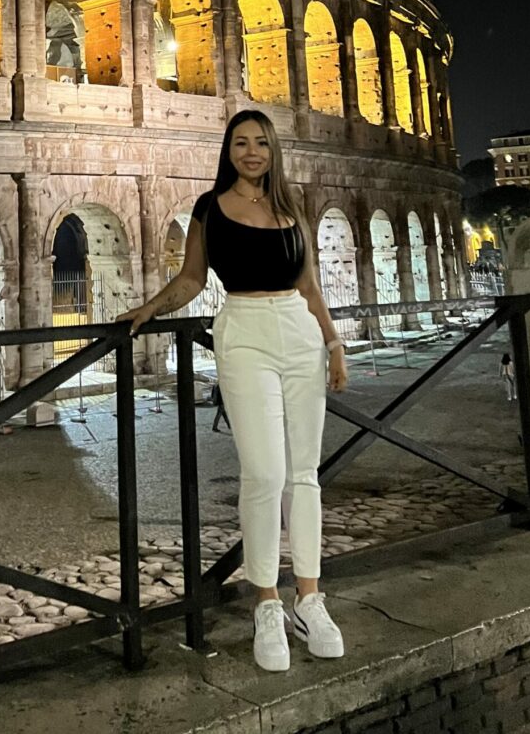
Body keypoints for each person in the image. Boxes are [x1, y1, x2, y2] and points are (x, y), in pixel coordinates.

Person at [117, 108, 349, 672]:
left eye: (261, 144)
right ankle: (266, 601)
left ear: (273, 151)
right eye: (241, 143)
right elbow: (192, 279)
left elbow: (310, 285)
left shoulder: (292, 205)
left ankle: (310, 597)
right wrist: (149, 308)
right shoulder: (209, 208)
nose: (251, 152)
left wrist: (334, 344)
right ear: (229, 152)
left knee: (304, 475)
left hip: (299, 333)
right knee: (265, 473)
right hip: (242, 330)